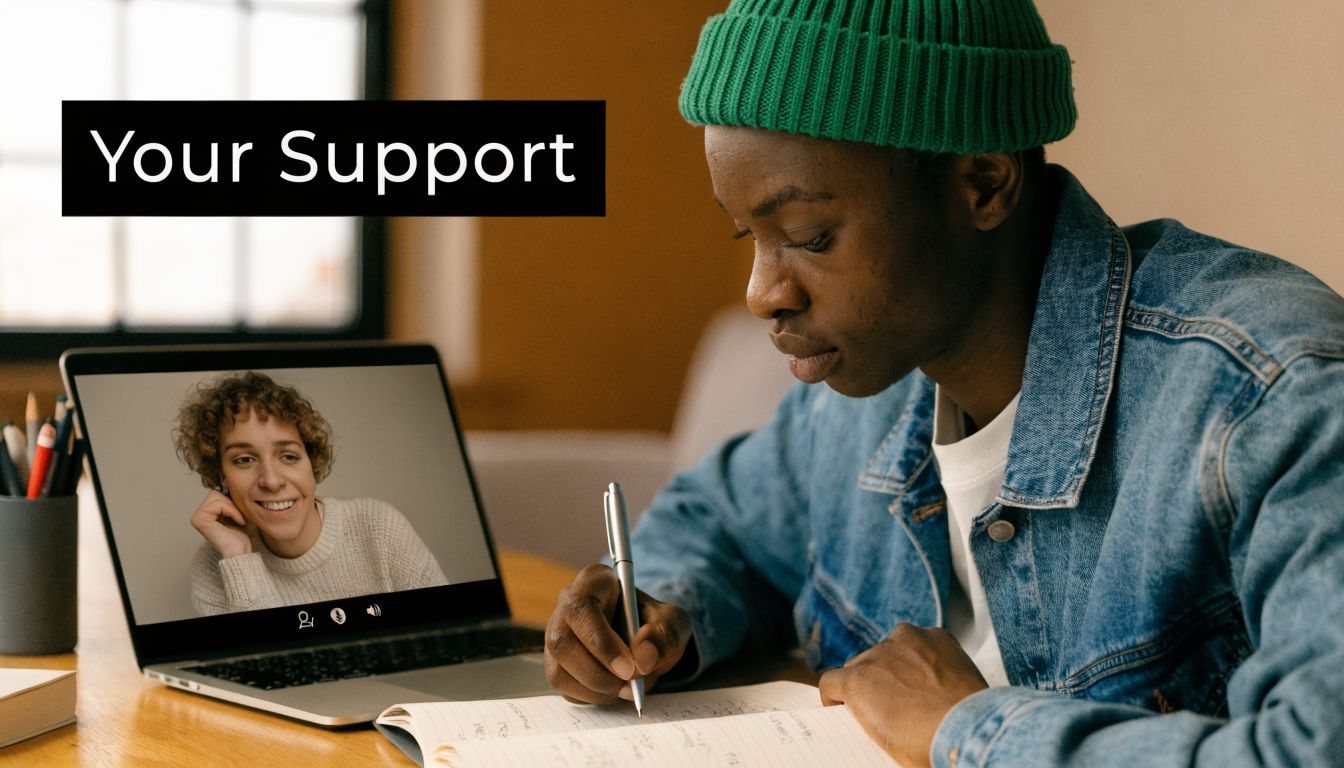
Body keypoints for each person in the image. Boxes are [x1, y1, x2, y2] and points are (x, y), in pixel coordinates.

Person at [543, 1, 1344, 766]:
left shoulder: (1271, 398)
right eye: (747, 234)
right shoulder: (869, 393)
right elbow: (716, 524)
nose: (762, 293)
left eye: (809, 236)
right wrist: (650, 611)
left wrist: (966, 728)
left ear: (983, 183)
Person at [174, 371, 448, 616]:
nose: (271, 480)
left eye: (289, 456)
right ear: (221, 475)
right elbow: (267, 668)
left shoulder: (379, 527)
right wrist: (239, 556)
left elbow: (448, 636)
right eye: (244, 459)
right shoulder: (215, 564)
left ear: (311, 461)